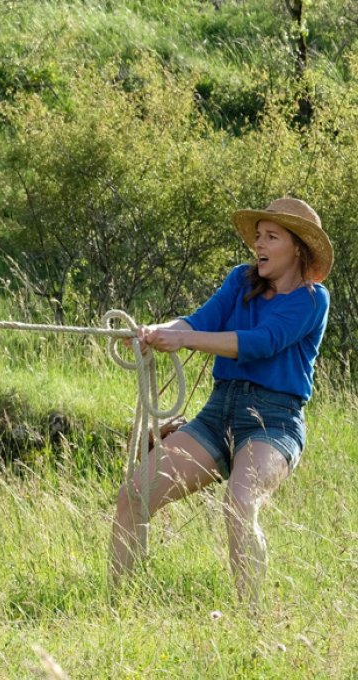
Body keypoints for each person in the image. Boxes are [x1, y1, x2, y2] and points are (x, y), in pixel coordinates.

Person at [109, 196, 332, 605]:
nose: (258, 245)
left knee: (240, 503)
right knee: (134, 494)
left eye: (271, 237)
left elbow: (262, 343)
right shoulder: (239, 281)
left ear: (297, 248)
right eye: (257, 237)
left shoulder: (313, 299)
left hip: (274, 421)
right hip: (218, 412)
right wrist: (159, 331)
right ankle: (118, 608)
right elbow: (198, 321)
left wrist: (184, 338)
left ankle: (251, 619)